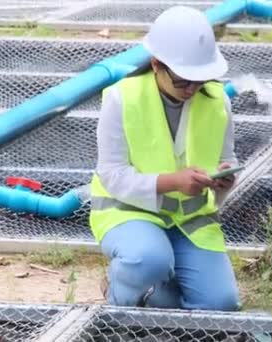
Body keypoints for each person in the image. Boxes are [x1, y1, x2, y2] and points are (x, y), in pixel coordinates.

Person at [89, 5, 241, 311]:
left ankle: (150, 290)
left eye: (199, 81)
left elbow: (227, 158)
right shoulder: (122, 98)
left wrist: (224, 178)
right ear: (157, 64)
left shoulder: (217, 100)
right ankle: (118, 300)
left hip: (190, 221)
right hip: (128, 213)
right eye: (184, 80)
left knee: (220, 304)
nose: (192, 89)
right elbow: (112, 174)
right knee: (149, 259)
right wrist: (174, 182)